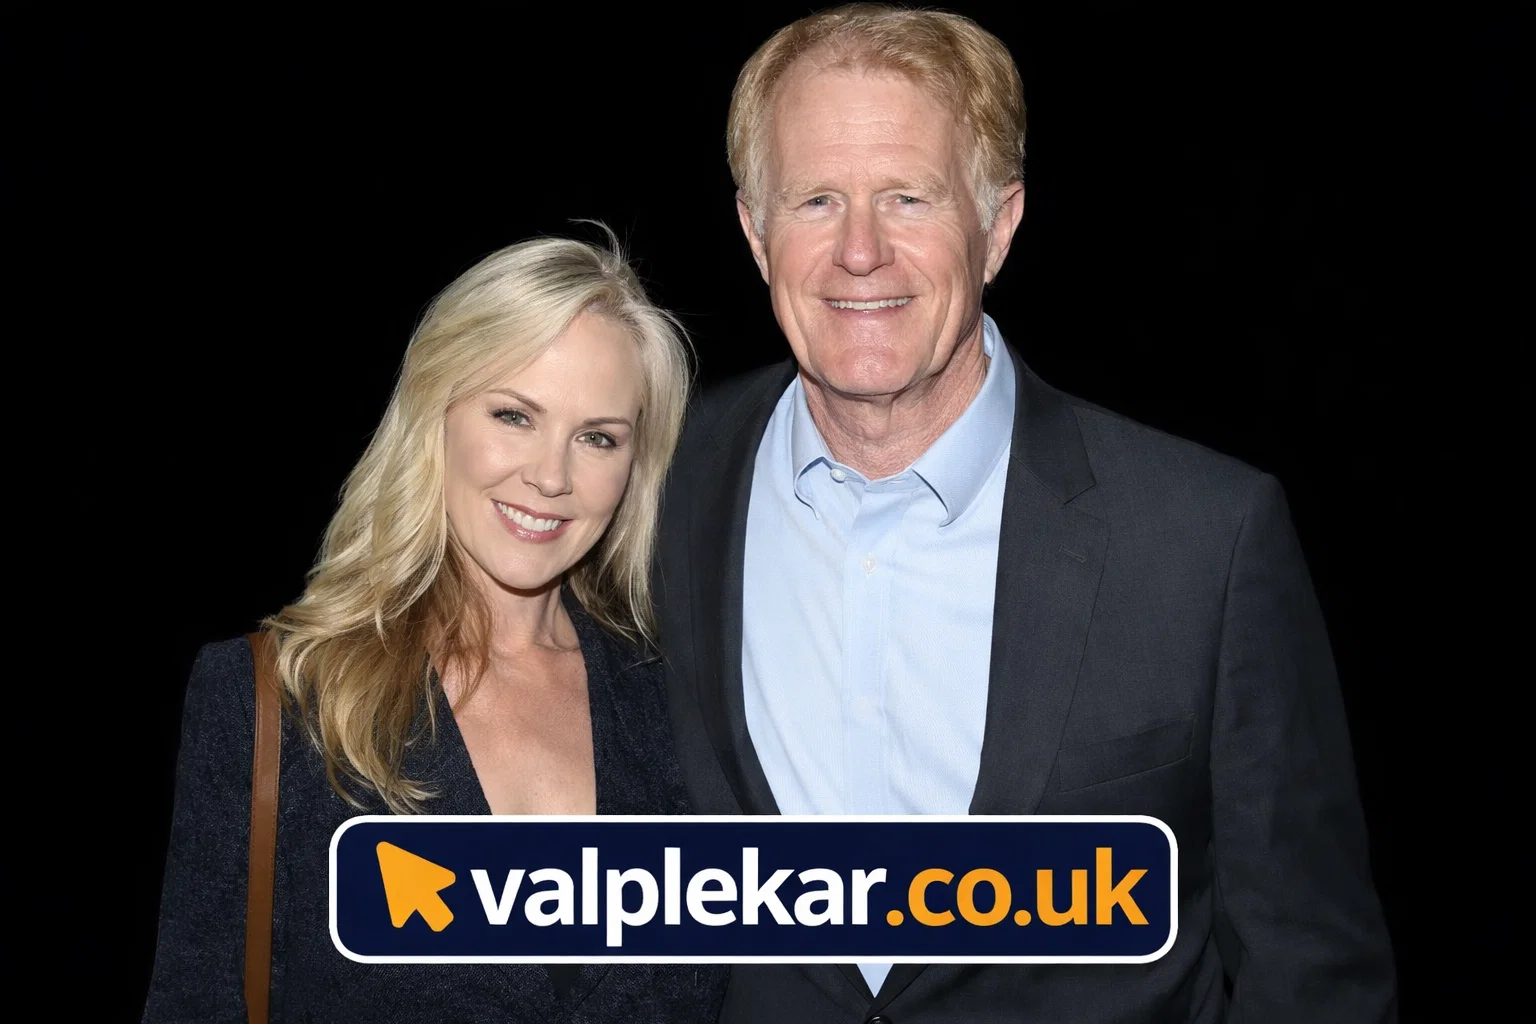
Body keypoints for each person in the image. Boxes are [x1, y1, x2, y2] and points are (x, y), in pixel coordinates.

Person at [655, 4, 1397, 1022]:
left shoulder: (1204, 543)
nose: (859, 250)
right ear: (754, 230)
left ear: (997, 225)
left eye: (908, 198)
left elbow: (1312, 974)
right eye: (817, 199)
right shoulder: (651, 490)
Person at [143, 233, 729, 1022]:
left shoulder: (687, 703)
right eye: (514, 415)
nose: (550, 476)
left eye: (598, 437)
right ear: (435, 413)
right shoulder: (275, 703)